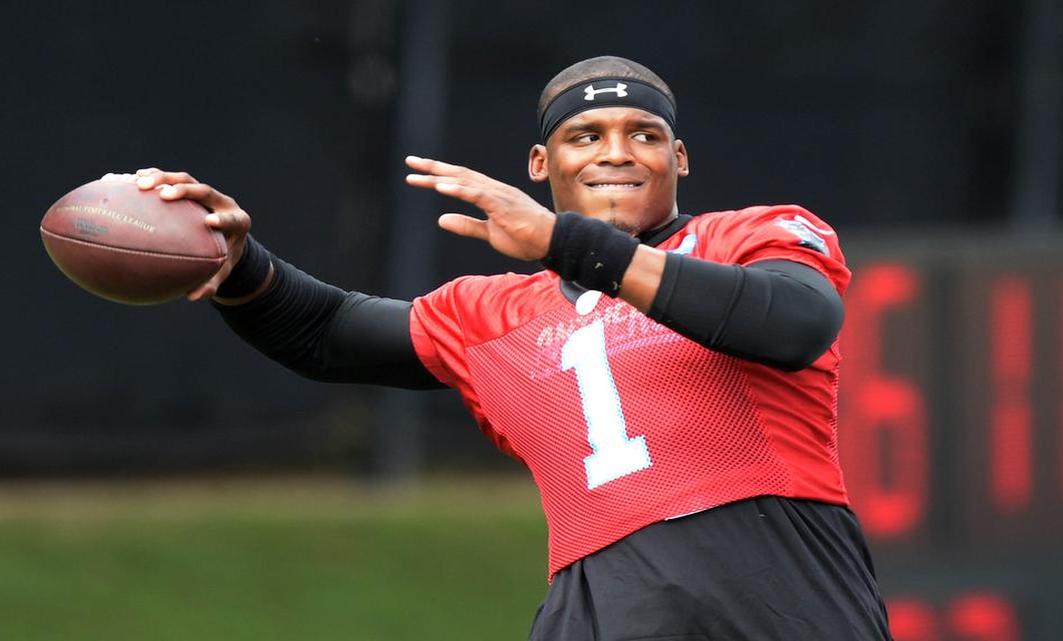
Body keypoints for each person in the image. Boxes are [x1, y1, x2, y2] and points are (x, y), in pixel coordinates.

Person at [132, 56, 893, 640]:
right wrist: (238, 263)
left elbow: (796, 323)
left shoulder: (741, 237)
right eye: (586, 136)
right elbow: (326, 331)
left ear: (680, 158)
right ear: (540, 165)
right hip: (602, 606)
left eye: (644, 135)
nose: (616, 153)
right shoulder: (492, 314)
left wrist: (570, 243)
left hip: (777, 591)